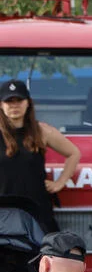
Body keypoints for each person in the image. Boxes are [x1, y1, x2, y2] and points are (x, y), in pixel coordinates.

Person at [0, 79, 81, 232]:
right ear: (1, 104)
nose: (14, 105)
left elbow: (73, 153)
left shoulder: (42, 131)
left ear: (28, 103)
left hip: (37, 214)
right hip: (3, 215)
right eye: (9, 101)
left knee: (43, 256)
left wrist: (60, 182)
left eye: (19, 100)